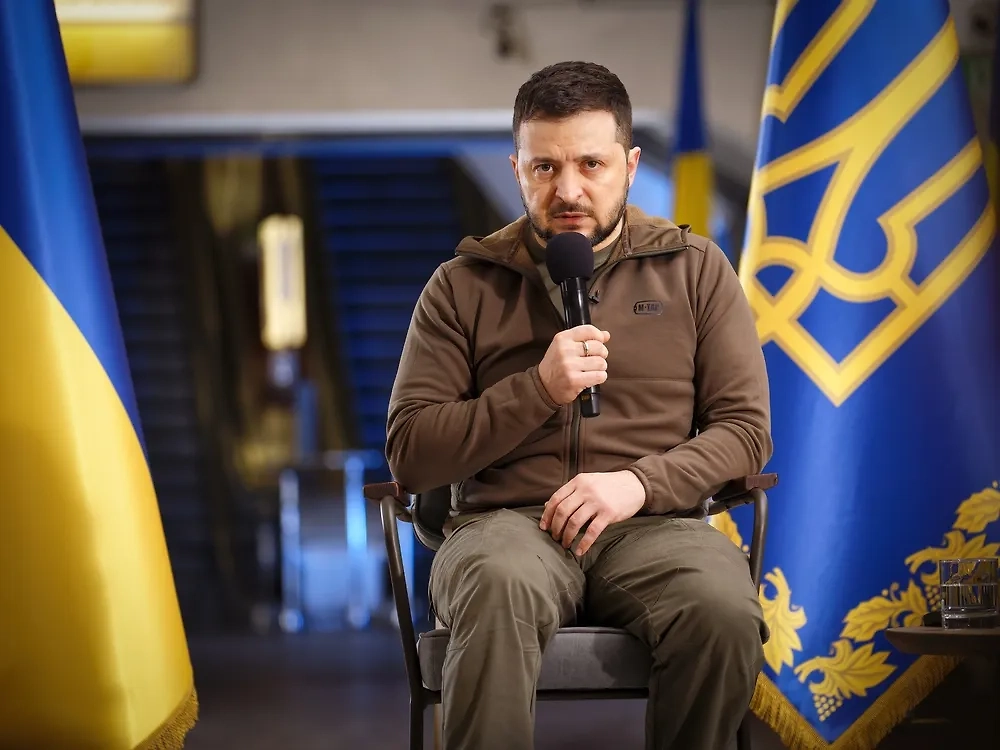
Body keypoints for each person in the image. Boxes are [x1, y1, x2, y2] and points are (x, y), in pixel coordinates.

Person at [385, 60, 772, 750]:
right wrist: (537, 390)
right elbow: (411, 454)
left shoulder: (696, 269)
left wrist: (638, 484)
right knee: (497, 581)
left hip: (655, 525)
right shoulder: (460, 286)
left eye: (591, 164)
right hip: (504, 527)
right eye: (545, 167)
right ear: (517, 170)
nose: (568, 190)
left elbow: (744, 432)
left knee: (722, 606)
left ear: (630, 165)